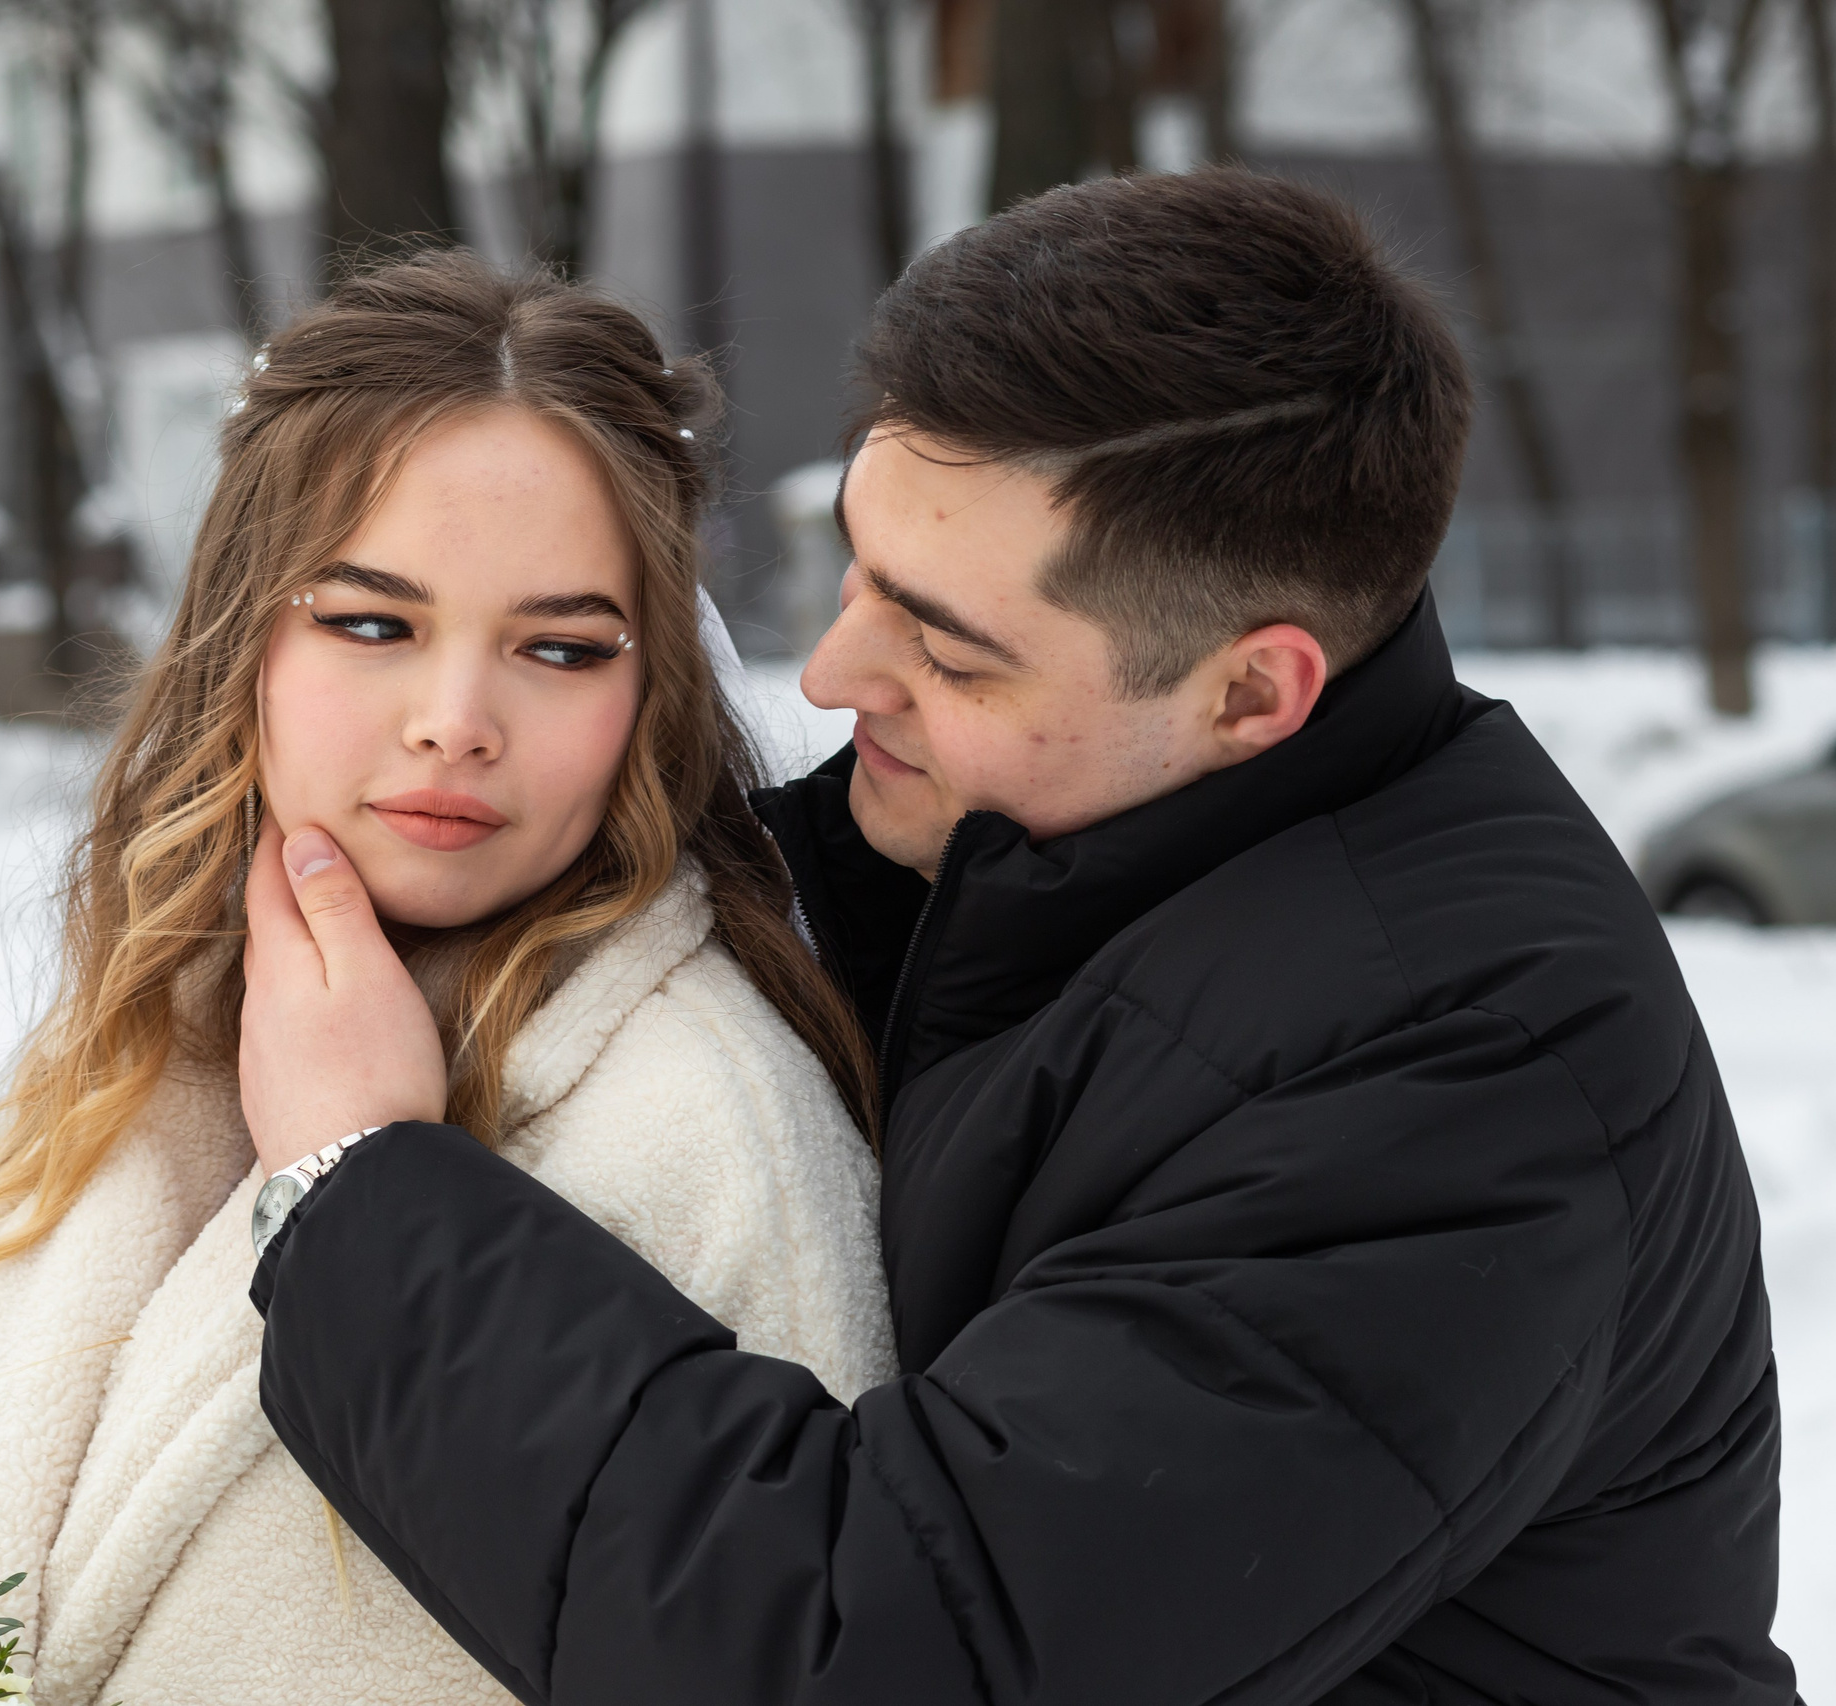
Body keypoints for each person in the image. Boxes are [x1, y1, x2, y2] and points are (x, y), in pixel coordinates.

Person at [236, 170, 1796, 1703]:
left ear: (1250, 694)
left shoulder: (1459, 1076)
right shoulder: (1046, 840)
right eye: (859, 566)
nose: (837, 673)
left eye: (950, 650)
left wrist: (362, 1184)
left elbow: (871, 1642)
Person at [0, 252, 898, 1706]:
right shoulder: (144, 1052)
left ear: (651, 697)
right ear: (243, 637)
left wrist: (369, 1172)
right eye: (372, 623)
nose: (455, 722)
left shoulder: (713, 1132)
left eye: (560, 648)